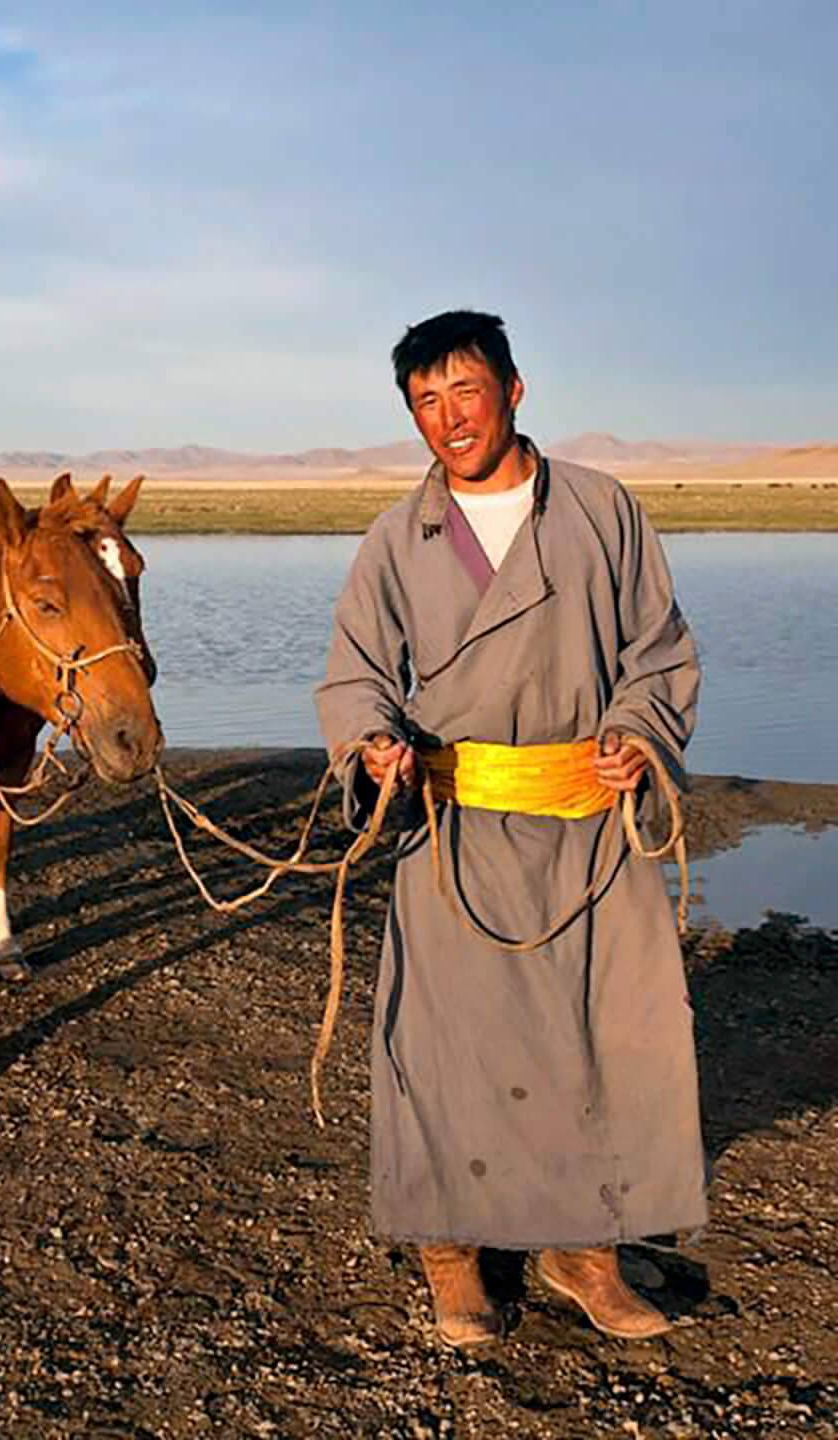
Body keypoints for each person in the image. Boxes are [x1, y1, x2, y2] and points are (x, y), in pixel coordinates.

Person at [315, 310, 705, 1346]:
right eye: (425, 402)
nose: (448, 419)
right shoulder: (399, 537)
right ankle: (451, 1258)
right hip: (455, 834)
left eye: (465, 392)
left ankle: (584, 1253)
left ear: (514, 390)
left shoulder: (601, 509)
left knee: (598, 1041)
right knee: (445, 1051)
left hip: (588, 829)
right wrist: (374, 744)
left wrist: (635, 733)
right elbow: (355, 675)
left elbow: (656, 653)